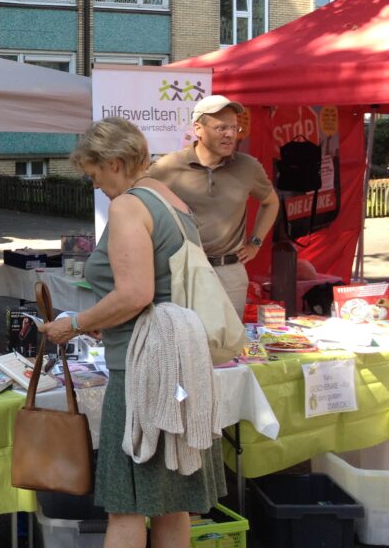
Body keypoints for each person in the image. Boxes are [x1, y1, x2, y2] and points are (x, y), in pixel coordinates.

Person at [41, 118, 224, 548]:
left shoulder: (128, 205)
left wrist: (77, 324)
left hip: (143, 372)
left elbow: (136, 294)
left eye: (95, 175)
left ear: (117, 163)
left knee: (126, 508)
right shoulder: (172, 201)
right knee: (171, 501)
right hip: (177, 365)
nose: (97, 186)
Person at [148, 94, 279, 316]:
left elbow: (271, 202)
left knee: (226, 346)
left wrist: (255, 243)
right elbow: (139, 204)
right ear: (198, 129)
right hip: (182, 271)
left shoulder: (247, 167)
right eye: (221, 128)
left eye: (234, 128)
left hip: (229, 271)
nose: (230, 134)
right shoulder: (168, 167)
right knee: (183, 341)